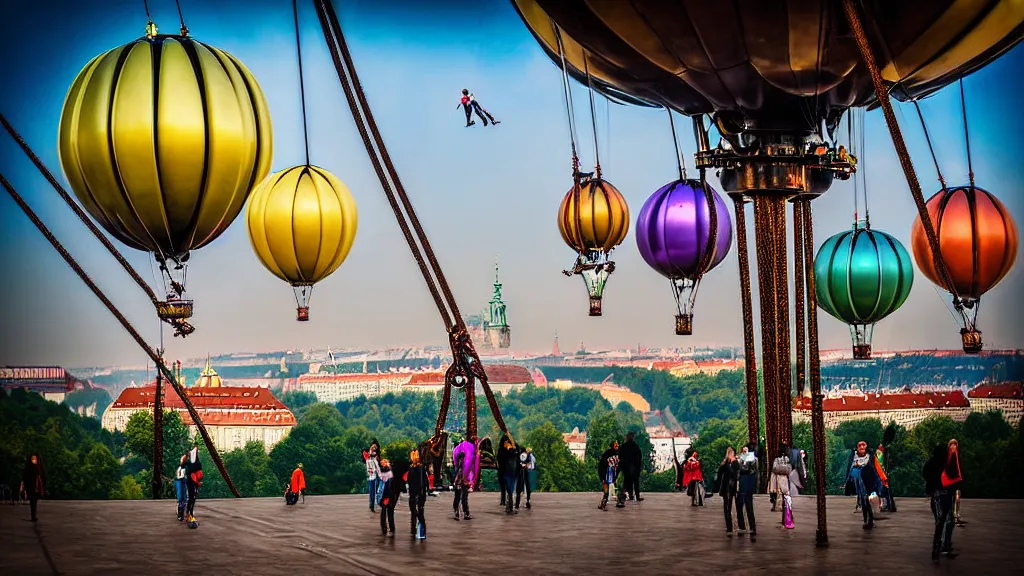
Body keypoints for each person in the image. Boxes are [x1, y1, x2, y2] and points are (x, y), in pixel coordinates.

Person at [923, 441, 959, 560]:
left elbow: (925, 474)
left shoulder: (931, 463)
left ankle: (937, 548)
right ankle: (944, 546)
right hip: (946, 494)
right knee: (948, 520)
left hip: (936, 495)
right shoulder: (946, 462)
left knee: (940, 521)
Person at [845, 440, 878, 530]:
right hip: (858, 479)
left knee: (865, 499)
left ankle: (869, 520)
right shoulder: (854, 456)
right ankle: (866, 520)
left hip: (867, 481)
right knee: (863, 500)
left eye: (863, 445)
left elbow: (874, 469)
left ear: (866, 446)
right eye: (860, 445)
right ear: (858, 447)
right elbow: (850, 467)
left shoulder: (870, 456)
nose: (862, 447)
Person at [715, 447, 740, 537]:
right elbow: (720, 472)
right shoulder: (725, 463)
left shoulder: (735, 463)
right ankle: (729, 527)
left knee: (731, 507)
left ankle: (733, 526)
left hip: (732, 487)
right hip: (726, 487)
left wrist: (733, 462)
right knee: (727, 508)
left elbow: (735, 473)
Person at [769, 444, 794, 529]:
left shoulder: (786, 459)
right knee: (783, 499)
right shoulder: (777, 459)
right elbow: (775, 468)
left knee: (786, 500)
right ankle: (785, 520)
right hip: (780, 480)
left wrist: (781, 469)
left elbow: (789, 469)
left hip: (783, 481)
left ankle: (786, 520)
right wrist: (784, 468)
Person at [451, 436, 476, 520]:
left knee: (461, 496)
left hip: (462, 479)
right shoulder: (464, 457)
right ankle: (460, 512)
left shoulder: (462, 455)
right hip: (461, 479)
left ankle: (462, 512)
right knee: (460, 496)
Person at [737, 443, 758, 537]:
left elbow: (753, 470)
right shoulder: (740, 459)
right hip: (742, 484)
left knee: (749, 507)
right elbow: (738, 469)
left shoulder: (753, 459)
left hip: (748, 483)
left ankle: (752, 528)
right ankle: (742, 527)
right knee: (739, 505)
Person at [407, 449, 428, 539]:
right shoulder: (421, 468)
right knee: (420, 512)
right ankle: (422, 530)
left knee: (413, 512)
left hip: (413, 493)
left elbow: (409, 480)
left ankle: (414, 529)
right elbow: (425, 481)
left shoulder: (411, 469)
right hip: (421, 493)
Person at [617, 431, 643, 503]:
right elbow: (639, 458)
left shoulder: (624, 446)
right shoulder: (635, 446)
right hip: (632, 467)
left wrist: (620, 468)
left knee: (628, 482)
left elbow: (620, 458)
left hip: (627, 467)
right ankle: (635, 496)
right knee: (633, 481)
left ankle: (629, 496)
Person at [20, 454, 44, 522]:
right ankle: (33, 516)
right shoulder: (29, 467)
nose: (34, 460)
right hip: (30, 487)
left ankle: (34, 515)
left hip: (37, 487)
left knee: (35, 501)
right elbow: (25, 477)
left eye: (35, 459)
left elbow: (42, 476)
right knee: (32, 501)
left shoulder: (39, 467)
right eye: (32, 459)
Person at [499, 436, 520, 514]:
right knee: (509, 490)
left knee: (511, 490)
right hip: (506, 472)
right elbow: (500, 460)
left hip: (513, 472)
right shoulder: (502, 451)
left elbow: (518, 456)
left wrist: (512, 449)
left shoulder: (514, 450)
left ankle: (511, 507)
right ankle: (509, 506)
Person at [597, 441, 619, 511]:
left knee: (607, 485)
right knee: (606, 485)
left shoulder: (616, 453)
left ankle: (604, 500)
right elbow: (602, 463)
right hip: (606, 471)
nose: (617, 446)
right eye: (616, 445)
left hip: (609, 471)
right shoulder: (609, 453)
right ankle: (605, 499)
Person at [185, 443, 203, 525]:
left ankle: (189, 512)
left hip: (194, 481)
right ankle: (189, 513)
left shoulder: (196, 462)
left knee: (193, 497)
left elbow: (199, 471)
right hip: (190, 480)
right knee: (191, 497)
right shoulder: (190, 462)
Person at [874, 444, 895, 512]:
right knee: (885, 491)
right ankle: (887, 506)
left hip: (882, 475)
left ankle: (885, 506)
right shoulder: (881, 454)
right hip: (882, 474)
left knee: (884, 491)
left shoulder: (880, 454)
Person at [378, 459, 396, 537]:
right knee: (388, 511)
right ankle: (390, 528)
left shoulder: (383, 473)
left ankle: (385, 528)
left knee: (384, 511)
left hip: (385, 494)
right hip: (387, 494)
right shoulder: (390, 473)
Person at [364, 442, 382, 513]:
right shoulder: (368, 456)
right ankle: (371, 504)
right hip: (371, 475)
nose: (374, 449)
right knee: (372, 490)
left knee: (374, 490)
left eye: (375, 448)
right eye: (373, 447)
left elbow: (377, 466)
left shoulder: (374, 458)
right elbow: (367, 457)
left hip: (374, 474)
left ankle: (372, 504)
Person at [175, 455, 188, 520]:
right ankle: (180, 513)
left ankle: (186, 512)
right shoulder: (180, 468)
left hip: (185, 483)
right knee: (181, 499)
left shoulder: (188, 467)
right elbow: (178, 476)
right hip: (180, 482)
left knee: (185, 498)